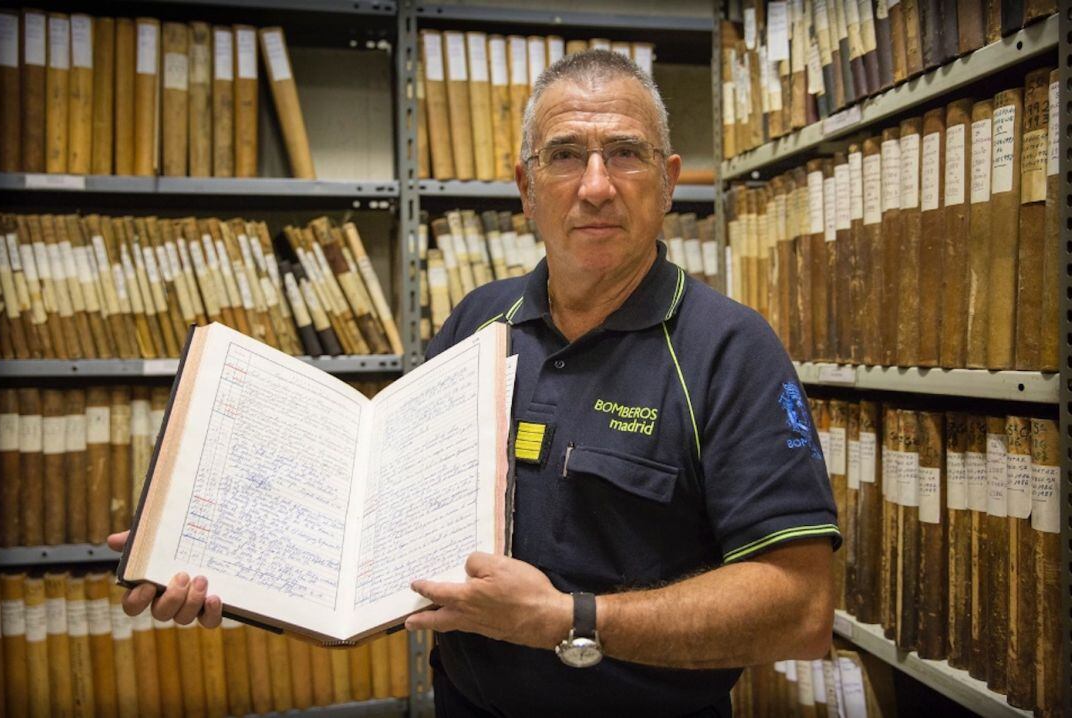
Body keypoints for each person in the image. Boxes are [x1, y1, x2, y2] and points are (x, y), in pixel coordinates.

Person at [110, 50, 839, 717]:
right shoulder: (477, 324)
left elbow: (800, 606)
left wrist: (570, 620)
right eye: (564, 157)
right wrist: (224, 566)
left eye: (625, 154)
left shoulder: (730, 349)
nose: (595, 186)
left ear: (670, 180)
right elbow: (386, 535)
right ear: (525, 187)